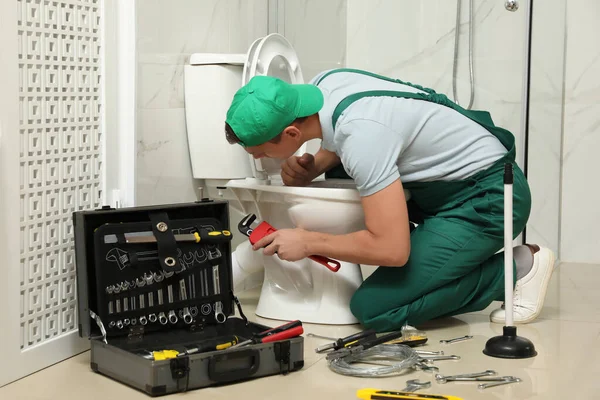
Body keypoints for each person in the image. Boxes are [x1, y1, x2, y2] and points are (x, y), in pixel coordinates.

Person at [223, 68, 556, 332]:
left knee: (376, 309)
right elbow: (347, 137)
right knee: (340, 172)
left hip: (488, 198)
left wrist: (309, 242)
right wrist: (315, 168)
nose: (262, 158)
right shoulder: (326, 84)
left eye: (263, 151)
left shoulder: (363, 136)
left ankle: (516, 271)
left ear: (292, 134)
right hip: (442, 184)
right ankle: (440, 255)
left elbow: (393, 252)